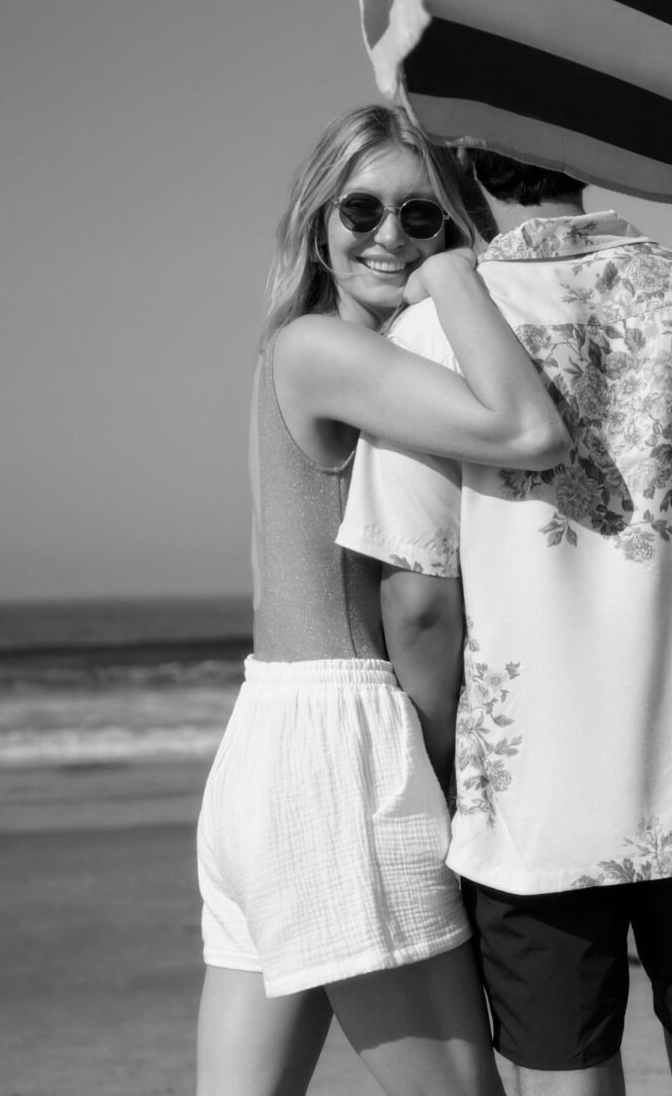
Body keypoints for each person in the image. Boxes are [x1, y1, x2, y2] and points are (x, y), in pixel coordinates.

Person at [336, 150, 672, 1096]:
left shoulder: (437, 332)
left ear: (462, 161)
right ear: (589, 151)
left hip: (538, 795)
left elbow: (418, 601)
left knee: (562, 1067)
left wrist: (451, 761)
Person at [195, 107, 567, 1096]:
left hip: (270, 748)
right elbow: (529, 428)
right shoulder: (317, 346)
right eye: (362, 210)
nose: (390, 239)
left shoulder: (325, 358)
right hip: (341, 744)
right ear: (318, 221)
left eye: (423, 218)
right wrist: (459, 271)